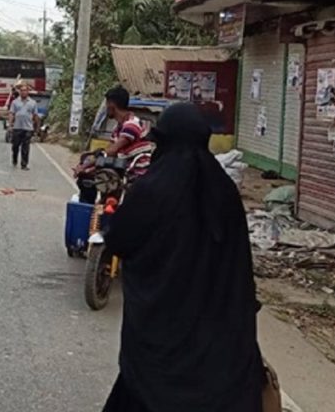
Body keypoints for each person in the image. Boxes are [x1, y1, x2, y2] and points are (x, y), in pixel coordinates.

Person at [100, 103, 263, 412]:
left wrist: (109, 221)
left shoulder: (152, 189)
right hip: (218, 342)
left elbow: (120, 238)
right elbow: (239, 263)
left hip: (160, 337)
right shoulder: (224, 191)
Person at [74, 86, 152, 202]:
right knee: (87, 181)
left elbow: (111, 151)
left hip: (136, 177)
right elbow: (107, 155)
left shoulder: (132, 125)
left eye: (106, 104)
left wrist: (85, 166)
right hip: (121, 175)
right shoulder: (118, 129)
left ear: (111, 105)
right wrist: (88, 168)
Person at [8, 84, 39, 170]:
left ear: (28, 92)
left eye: (25, 90)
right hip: (17, 127)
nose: (23, 92)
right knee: (15, 146)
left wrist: (36, 127)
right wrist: (10, 124)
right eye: (22, 90)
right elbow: (11, 113)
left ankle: (24, 164)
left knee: (25, 147)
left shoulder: (33, 103)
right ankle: (14, 159)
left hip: (28, 128)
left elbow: (35, 115)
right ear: (19, 92)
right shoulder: (15, 102)